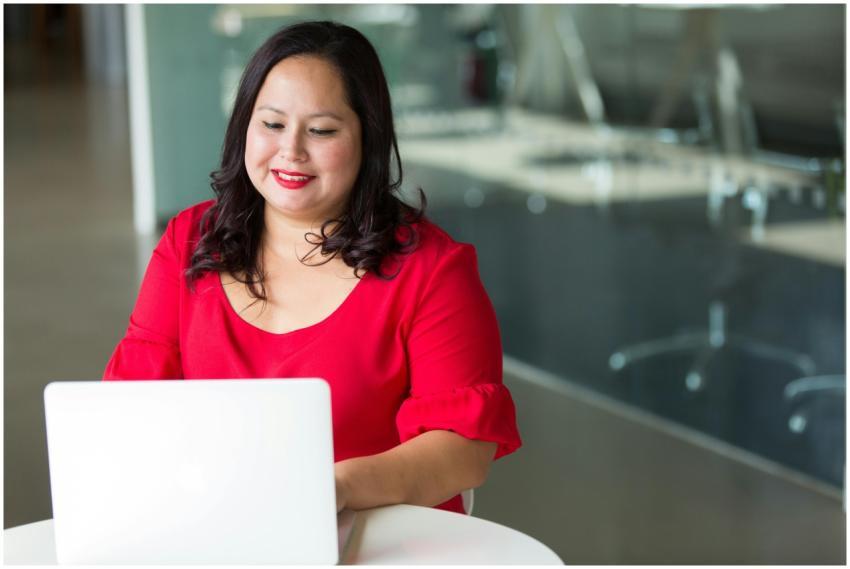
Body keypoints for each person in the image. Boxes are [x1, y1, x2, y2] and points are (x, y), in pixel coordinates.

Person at [104, 20, 521, 515]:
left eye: (321, 130)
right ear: (244, 127)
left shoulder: (432, 271)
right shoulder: (188, 241)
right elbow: (129, 408)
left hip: (379, 536)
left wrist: (334, 490)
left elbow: (463, 451)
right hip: (217, 525)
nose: (291, 151)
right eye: (272, 124)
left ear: (369, 137)